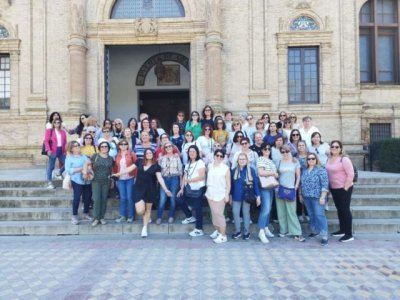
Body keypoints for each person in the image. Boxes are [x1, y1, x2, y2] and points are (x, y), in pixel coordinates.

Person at [134, 148, 172, 237]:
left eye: (150, 153)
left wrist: (166, 189)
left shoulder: (156, 166)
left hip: (150, 190)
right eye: (147, 153)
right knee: (140, 211)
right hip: (138, 189)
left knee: (148, 210)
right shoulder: (139, 162)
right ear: (145, 155)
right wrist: (118, 174)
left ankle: (144, 228)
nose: (148, 154)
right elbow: (129, 169)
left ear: (152, 154)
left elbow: (160, 178)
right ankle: (146, 217)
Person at [325, 140, 355, 242]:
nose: (334, 148)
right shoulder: (329, 159)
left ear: (341, 149)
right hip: (334, 188)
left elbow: (351, 174)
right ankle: (342, 230)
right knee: (340, 209)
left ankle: (349, 234)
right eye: (332, 146)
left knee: (345, 210)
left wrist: (345, 188)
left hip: (344, 188)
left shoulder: (344, 159)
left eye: (336, 147)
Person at [276, 144, 305, 242]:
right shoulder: (279, 162)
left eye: (287, 151)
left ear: (290, 151)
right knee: (281, 211)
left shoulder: (295, 161)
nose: (285, 153)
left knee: (291, 212)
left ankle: (296, 232)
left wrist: (296, 186)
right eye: (283, 152)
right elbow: (276, 174)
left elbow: (298, 176)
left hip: (291, 189)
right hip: (280, 188)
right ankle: (283, 230)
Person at [299, 153, 329, 246]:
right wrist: (300, 194)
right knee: (311, 215)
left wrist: (323, 197)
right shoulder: (304, 170)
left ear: (316, 159)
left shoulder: (321, 170)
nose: (311, 160)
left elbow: (325, 184)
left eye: (313, 158)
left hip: (317, 197)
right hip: (306, 196)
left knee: (319, 215)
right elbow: (301, 183)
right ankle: (316, 231)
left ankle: (324, 235)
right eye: (309, 159)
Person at [177, 145, 206, 237]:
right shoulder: (188, 163)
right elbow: (184, 176)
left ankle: (199, 229)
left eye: (193, 151)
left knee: (198, 209)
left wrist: (190, 181)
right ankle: (189, 216)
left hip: (198, 188)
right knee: (179, 200)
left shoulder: (200, 162)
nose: (191, 153)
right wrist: (181, 189)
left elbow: (202, 176)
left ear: (197, 152)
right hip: (188, 188)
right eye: (190, 152)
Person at [230, 153, 260, 240]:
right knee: (235, 212)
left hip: (247, 195)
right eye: (240, 159)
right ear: (237, 161)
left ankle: (247, 232)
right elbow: (231, 185)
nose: (242, 161)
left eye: (243, 159)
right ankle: (237, 231)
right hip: (236, 195)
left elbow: (255, 184)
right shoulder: (234, 171)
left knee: (246, 213)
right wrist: (230, 195)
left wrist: (258, 196)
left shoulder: (251, 170)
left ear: (247, 160)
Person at [205, 149, 231, 243]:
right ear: (214, 156)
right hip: (210, 193)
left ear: (223, 158)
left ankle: (223, 235)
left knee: (219, 214)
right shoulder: (209, 166)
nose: (219, 157)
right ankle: (218, 231)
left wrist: (227, 194)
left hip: (220, 194)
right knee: (214, 214)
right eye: (217, 155)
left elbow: (228, 183)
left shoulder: (225, 168)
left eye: (221, 156)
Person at [65, 141, 93, 225]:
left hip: (87, 180)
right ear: (71, 149)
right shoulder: (69, 158)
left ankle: (86, 213)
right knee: (77, 198)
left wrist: (87, 169)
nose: (77, 147)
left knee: (88, 197)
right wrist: (81, 168)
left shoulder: (83, 156)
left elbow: (89, 164)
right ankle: (74, 216)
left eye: (78, 145)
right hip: (76, 180)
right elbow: (68, 170)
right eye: (75, 146)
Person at [156, 142, 183, 224]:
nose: (168, 148)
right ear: (164, 148)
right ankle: (159, 217)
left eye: (170, 146)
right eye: (166, 147)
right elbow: (159, 171)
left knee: (172, 198)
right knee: (162, 199)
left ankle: (171, 216)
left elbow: (180, 171)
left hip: (174, 178)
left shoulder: (177, 157)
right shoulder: (161, 158)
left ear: (172, 147)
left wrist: (181, 185)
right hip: (164, 179)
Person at [256, 143, 278, 243]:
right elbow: (261, 173)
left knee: (269, 209)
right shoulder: (260, 159)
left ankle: (265, 227)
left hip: (271, 186)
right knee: (266, 209)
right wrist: (273, 173)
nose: (267, 150)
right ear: (262, 150)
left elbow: (275, 173)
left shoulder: (271, 161)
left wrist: (275, 174)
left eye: (269, 149)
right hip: (264, 187)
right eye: (265, 149)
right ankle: (261, 231)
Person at [112, 139, 137, 223]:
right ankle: (122, 215)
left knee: (130, 198)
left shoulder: (132, 154)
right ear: (119, 146)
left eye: (125, 144)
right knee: (123, 198)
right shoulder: (117, 155)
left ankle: (131, 216)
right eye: (121, 144)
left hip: (130, 178)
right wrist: (115, 177)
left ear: (127, 145)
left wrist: (136, 177)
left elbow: (136, 166)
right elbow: (115, 167)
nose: (123, 145)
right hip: (121, 179)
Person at [91, 141, 114, 226]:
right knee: (97, 199)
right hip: (96, 180)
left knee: (104, 199)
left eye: (106, 147)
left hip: (106, 181)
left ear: (108, 148)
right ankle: (96, 218)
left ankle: (102, 217)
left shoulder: (110, 158)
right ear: (99, 148)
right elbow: (88, 164)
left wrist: (112, 180)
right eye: (102, 146)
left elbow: (111, 170)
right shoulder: (95, 156)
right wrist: (88, 171)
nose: (104, 148)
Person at [44, 118, 67, 189]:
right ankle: (49, 183)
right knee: (51, 167)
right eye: (55, 123)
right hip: (53, 150)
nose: (57, 124)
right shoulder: (50, 131)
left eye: (58, 122)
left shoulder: (63, 132)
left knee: (67, 163)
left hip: (61, 150)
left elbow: (65, 142)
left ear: (60, 123)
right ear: (53, 124)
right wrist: (48, 149)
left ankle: (59, 173)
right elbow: (46, 141)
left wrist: (66, 150)